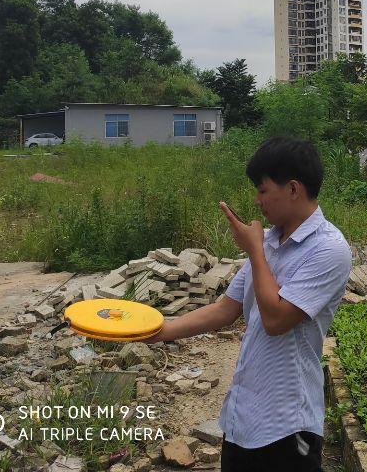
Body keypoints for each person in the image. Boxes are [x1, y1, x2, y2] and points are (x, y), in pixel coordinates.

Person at [146, 136, 351, 472]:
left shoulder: (329, 249)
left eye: (263, 190)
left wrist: (254, 250)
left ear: (293, 189)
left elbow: (275, 320)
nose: (257, 201)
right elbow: (226, 308)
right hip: (242, 419)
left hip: (287, 426)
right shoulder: (270, 240)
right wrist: (159, 331)